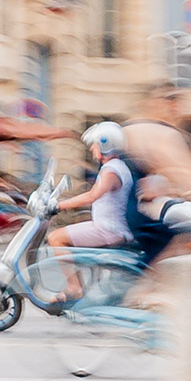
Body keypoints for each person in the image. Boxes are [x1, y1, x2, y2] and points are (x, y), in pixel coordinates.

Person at [47, 123, 137, 302]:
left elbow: (92, 195)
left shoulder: (112, 171)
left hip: (108, 230)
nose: (92, 149)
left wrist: (59, 205)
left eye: (94, 145)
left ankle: (74, 288)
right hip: (108, 227)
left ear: (105, 144)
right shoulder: (116, 167)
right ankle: (80, 287)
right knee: (67, 237)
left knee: (56, 238)